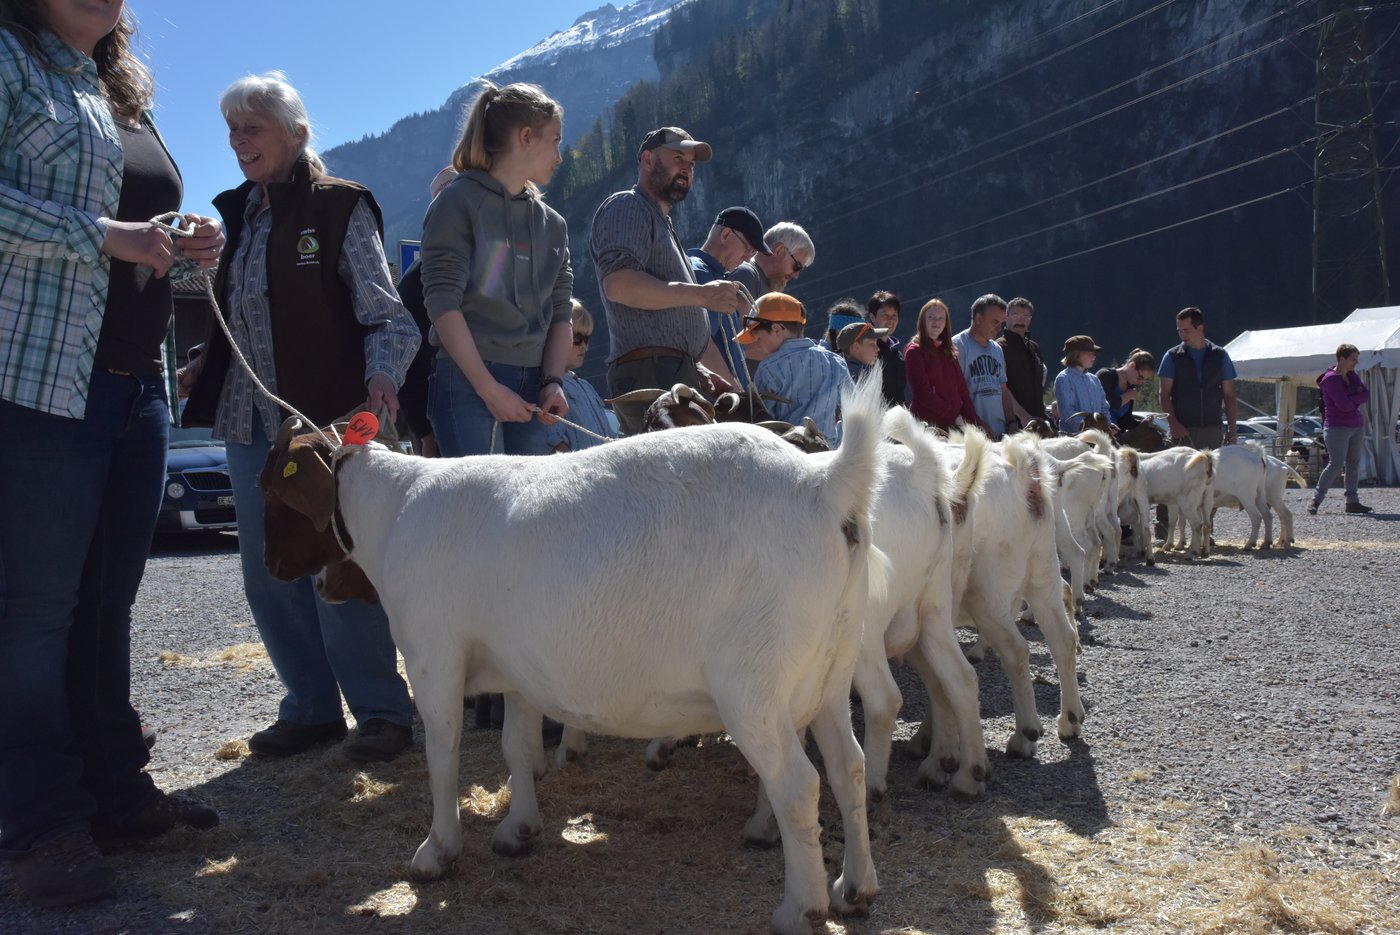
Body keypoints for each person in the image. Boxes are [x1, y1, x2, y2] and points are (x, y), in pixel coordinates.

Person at [1, 0, 224, 906]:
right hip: (38, 378)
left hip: (135, 384)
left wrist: (189, 241)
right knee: (32, 614)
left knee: (105, 606)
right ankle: (39, 827)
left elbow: (141, 225)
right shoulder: (9, 59)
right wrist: (105, 235)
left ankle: (116, 794)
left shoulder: (117, 91)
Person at [181, 72, 418, 763]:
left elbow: (388, 317)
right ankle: (310, 709)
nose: (238, 141)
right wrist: (206, 361)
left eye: (252, 128)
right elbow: (244, 316)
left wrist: (382, 378)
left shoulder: (340, 207)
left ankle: (382, 712)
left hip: (330, 424)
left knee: (339, 563)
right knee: (270, 569)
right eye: (232, 130)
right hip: (248, 423)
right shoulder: (236, 216)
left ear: (296, 133)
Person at [421, 82, 572, 459]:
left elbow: (561, 311)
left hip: (534, 384)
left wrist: (553, 381)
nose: (559, 156)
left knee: (528, 498)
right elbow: (442, 302)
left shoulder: (553, 225)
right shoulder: (457, 202)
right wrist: (488, 389)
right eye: (555, 140)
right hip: (466, 383)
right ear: (526, 137)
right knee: (481, 498)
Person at [590, 126, 741, 434]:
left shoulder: (661, 222)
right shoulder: (628, 205)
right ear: (647, 160)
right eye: (677, 158)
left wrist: (694, 367)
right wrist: (702, 294)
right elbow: (619, 284)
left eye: (691, 164)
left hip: (669, 371)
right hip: (650, 372)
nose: (687, 168)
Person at [393, 166, 459, 458]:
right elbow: (408, 362)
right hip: (439, 418)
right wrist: (424, 432)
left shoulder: (493, 263)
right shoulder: (414, 282)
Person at [739, 293, 853, 443]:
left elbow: (762, 425)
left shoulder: (768, 368)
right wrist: (836, 441)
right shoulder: (835, 362)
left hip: (787, 450)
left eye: (759, 338)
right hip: (828, 451)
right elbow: (856, 410)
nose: (757, 344)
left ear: (776, 329)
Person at [688, 205, 770, 392]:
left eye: (752, 253)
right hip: (715, 400)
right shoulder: (700, 274)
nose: (747, 259)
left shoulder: (715, 277)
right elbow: (701, 345)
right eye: (748, 249)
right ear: (726, 235)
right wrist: (738, 395)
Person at [952, 293, 1033, 439]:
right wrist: (976, 423)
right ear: (978, 318)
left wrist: (1011, 422)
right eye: (995, 322)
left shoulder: (997, 349)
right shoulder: (957, 346)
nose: (999, 328)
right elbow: (952, 394)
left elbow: (1003, 389)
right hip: (972, 435)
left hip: (1001, 433)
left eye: (1002, 323)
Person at [1158, 306, 1238, 448]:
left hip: (1213, 431)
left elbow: (1229, 395)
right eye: (1179, 331)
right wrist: (1173, 424)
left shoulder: (1220, 356)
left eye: (1186, 330)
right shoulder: (1171, 357)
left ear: (1200, 328)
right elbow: (1164, 394)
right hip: (1182, 431)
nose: (1182, 335)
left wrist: (1232, 430)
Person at [1309, 343, 1373, 515]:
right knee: (1336, 464)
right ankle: (1316, 500)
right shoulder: (1330, 380)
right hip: (1337, 428)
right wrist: (1355, 398)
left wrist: (1352, 399)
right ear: (1342, 359)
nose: (1356, 363)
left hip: (1355, 426)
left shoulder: (1352, 375)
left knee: (1353, 464)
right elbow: (1344, 405)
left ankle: (1352, 501)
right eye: (1353, 359)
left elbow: (1365, 395)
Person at [547, 299, 617, 452]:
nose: (584, 346)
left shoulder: (587, 386)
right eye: (577, 338)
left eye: (586, 339)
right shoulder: (547, 387)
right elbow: (554, 441)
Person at [905, 298, 981, 431]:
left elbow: (963, 392)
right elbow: (923, 394)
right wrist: (954, 416)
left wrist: (976, 424)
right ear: (922, 320)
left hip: (952, 425)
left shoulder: (949, 351)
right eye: (931, 317)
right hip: (926, 427)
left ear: (946, 323)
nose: (936, 321)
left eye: (941, 318)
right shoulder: (914, 351)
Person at [727, 220, 814, 300]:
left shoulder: (759, 281)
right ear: (779, 250)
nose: (796, 275)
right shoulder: (746, 274)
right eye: (797, 266)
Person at [997, 296, 1046, 422]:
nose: (1020, 320)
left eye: (1026, 316)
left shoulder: (1034, 347)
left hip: (1038, 419)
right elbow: (1001, 388)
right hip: (1013, 422)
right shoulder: (998, 347)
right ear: (1006, 316)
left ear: (1030, 319)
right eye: (1015, 315)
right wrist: (1024, 417)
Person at [1053, 335, 1112, 434]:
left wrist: (1107, 425)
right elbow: (1068, 415)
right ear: (1076, 355)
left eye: (1094, 354)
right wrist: (1092, 430)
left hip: (1098, 437)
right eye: (1089, 353)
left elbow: (1104, 407)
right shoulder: (1064, 379)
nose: (1093, 357)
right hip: (1073, 438)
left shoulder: (1094, 379)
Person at [1097, 348, 1157, 430]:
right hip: (1098, 432)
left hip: (1114, 433)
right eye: (1140, 377)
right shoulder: (1106, 375)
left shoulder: (1130, 387)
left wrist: (1143, 423)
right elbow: (1110, 403)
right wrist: (1128, 396)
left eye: (1145, 380)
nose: (1140, 382)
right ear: (1132, 366)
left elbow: (1125, 421)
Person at [866, 290, 907, 406]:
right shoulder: (866, 350)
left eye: (894, 315)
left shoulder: (896, 352)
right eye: (885, 315)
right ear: (872, 317)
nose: (891, 320)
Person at [837, 320, 886, 384]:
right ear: (856, 347)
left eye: (876, 344)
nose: (878, 349)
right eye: (872, 344)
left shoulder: (841, 370)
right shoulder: (857, 375)